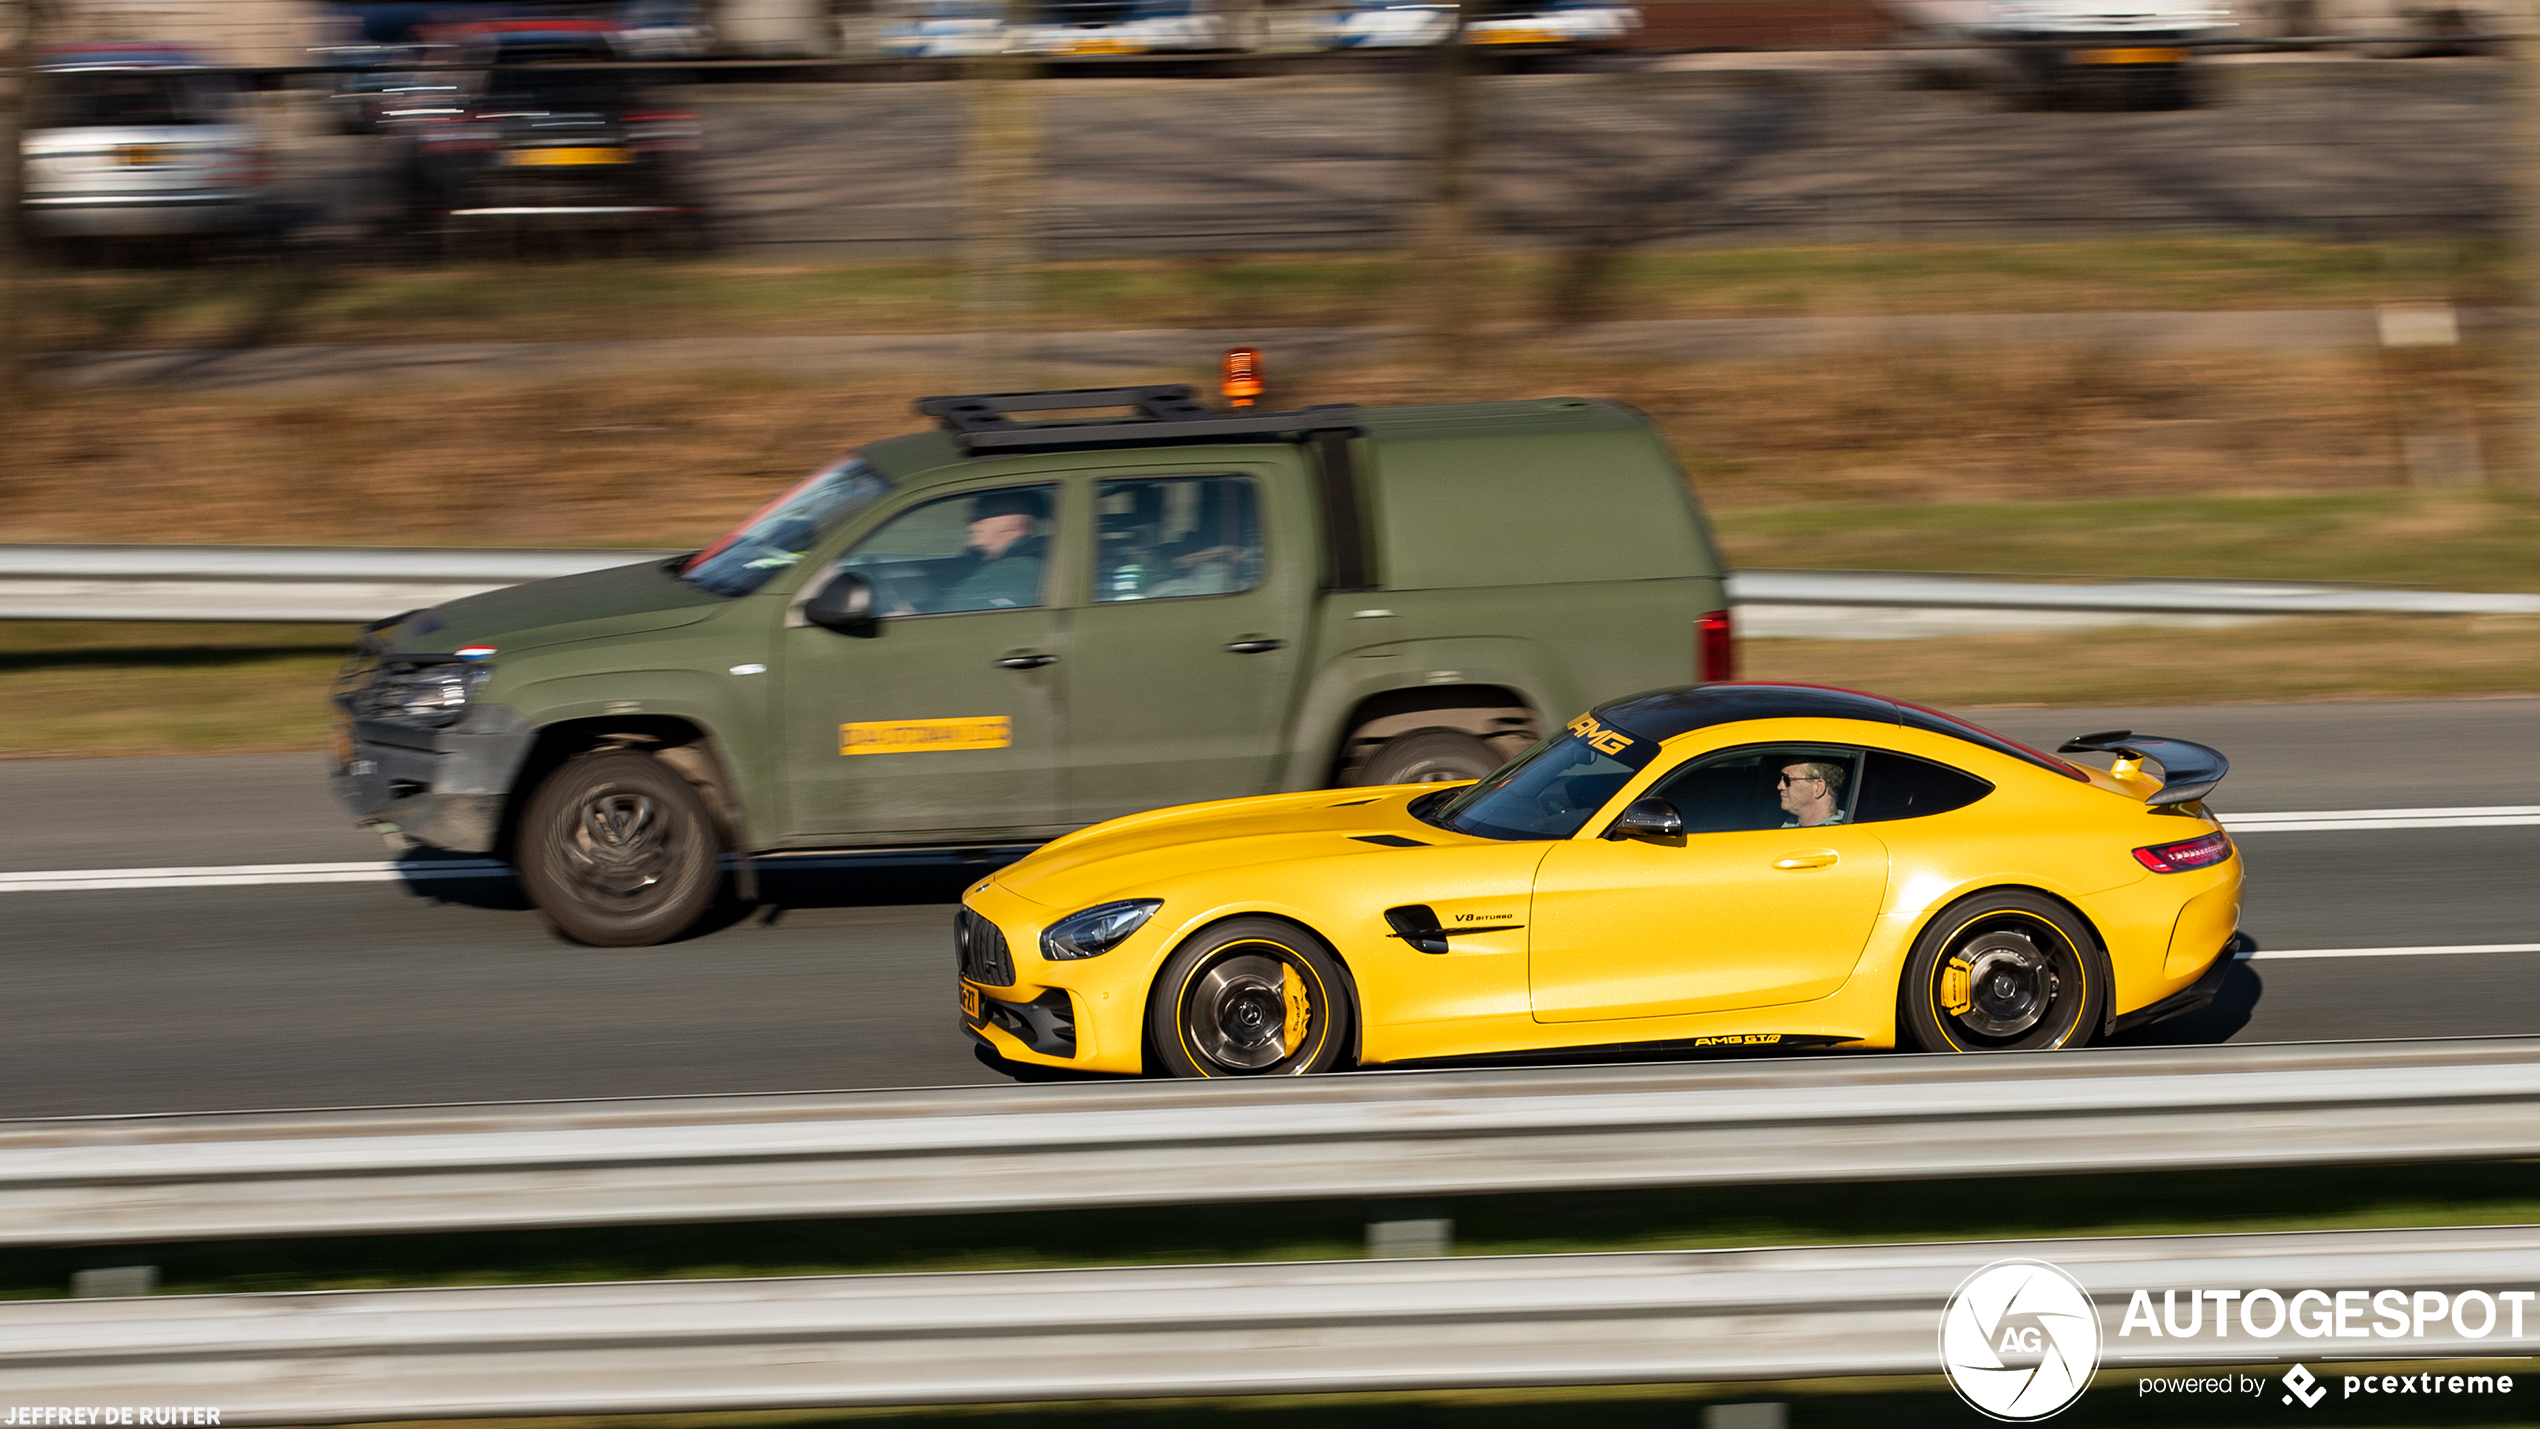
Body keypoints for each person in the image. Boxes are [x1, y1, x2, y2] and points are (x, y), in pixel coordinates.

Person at [940, 489, 1047, 611]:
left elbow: (960, 622)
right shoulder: (985, 561)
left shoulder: (1015, 570)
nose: (972, 524)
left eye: (981, 513)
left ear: (1012, 522)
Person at [1778, 760, 1847, 828]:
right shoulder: (1785, 823)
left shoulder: (1835, 836)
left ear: (1818, 787)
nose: (1780, 786)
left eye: (1787, 779)